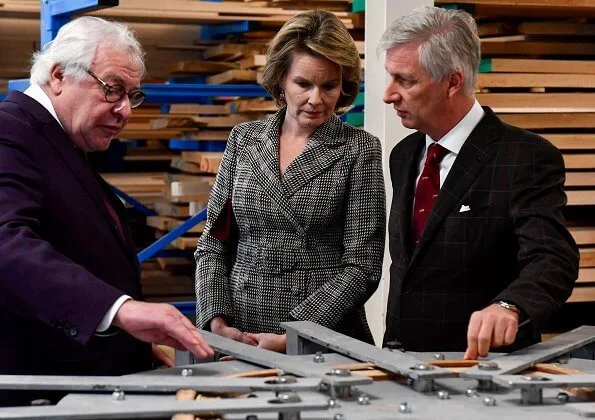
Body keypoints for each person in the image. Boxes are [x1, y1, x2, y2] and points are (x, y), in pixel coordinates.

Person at [0, 16, 213, 406]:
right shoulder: (11, 131)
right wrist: (121, 312)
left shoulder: (59, 138)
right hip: (43, 393)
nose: (126, 111)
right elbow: (6, 246)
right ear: (60, 75)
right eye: (113, 90)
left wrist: (125, 340)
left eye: (133, 95)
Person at [380, 6, 579, 358]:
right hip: (401, 362)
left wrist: (510, 306)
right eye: (390, 77)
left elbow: (552, 257)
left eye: (405, 80)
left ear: (452, 82)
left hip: (482, 368)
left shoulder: (525, 157)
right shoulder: (404, 154)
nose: (388, 94)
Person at [195, 10, 385, 352]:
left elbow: (363, 266)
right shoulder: (243, 140)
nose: (316, 99)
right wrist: (215, 319)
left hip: (320, 335)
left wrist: (293, 336)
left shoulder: (359, 149)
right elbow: (213, 243)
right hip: (239, 331)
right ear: (281, 79)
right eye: (303, 84)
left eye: (329, 86)